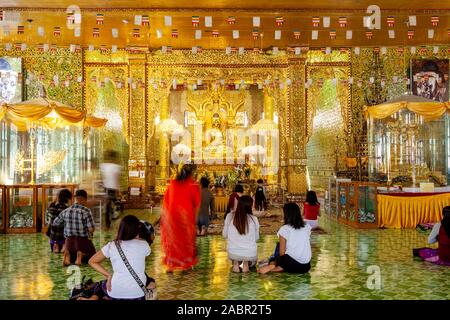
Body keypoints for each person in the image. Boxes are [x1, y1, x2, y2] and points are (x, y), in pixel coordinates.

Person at [88, 215, 154, 300]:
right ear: (137, 230)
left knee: (102, 284)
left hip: (116, 292)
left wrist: (108, 276)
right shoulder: (144, 245)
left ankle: (97, 297)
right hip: (138, 293)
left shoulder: (112, 245)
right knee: (151, 282)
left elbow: (92, 261)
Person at [161, 164, 201, 272]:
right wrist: (194, 219)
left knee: (173, 240)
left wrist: (166, 216)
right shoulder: (193, 184)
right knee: (185, 241)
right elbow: (197, 204)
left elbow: (166, 201)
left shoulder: (172, 183)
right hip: (186, 217)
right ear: (191, 174)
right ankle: (185, 265)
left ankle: (170, 266)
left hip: (172, 217)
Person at [258, 202, 311, 274]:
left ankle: (272, 265)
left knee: (278, 249)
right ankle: (279, 267)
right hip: (306, 267)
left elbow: (282, 253)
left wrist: (277, 259)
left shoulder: (284, 229)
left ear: (287, 214)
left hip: (292, 264)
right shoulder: (307, 226)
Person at [53, 190, 96, 266]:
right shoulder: (86, 211)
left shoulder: (66, 210)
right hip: (82, 241)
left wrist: (67, 224)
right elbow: (91, 229)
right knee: (93, 255)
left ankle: (68, 256)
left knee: (72, 253)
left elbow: (55, 223)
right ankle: (81, 254)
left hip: (69, 242)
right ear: (84, 199)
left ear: (75, 199)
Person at [222, 195, 260, 273]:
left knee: (236, 256)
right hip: (250, 253)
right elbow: (256, 238)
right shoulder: (254, 219)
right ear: (250, 206)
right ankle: (245, 264)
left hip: (233, 253)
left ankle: (236, 264)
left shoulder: (229, 216)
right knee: (252, 262)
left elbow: (224, 235)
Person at [45, 189, 72, 253]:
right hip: (62, 235)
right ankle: (63, 245)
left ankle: (55, 244)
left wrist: (56, 199)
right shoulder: (66, 208)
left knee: (54, 227)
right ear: (68, 198)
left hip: (53, 234)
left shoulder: (52, 206)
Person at [100, 150, 122, 229]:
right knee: (111, 206)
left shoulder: (103, 166)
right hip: (112, 188)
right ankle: (109, 222)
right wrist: (118, 190)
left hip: (106, 188)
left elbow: (102, 178)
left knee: (108, 206)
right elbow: (117, 180)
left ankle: (108, 223)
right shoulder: (116, 167)